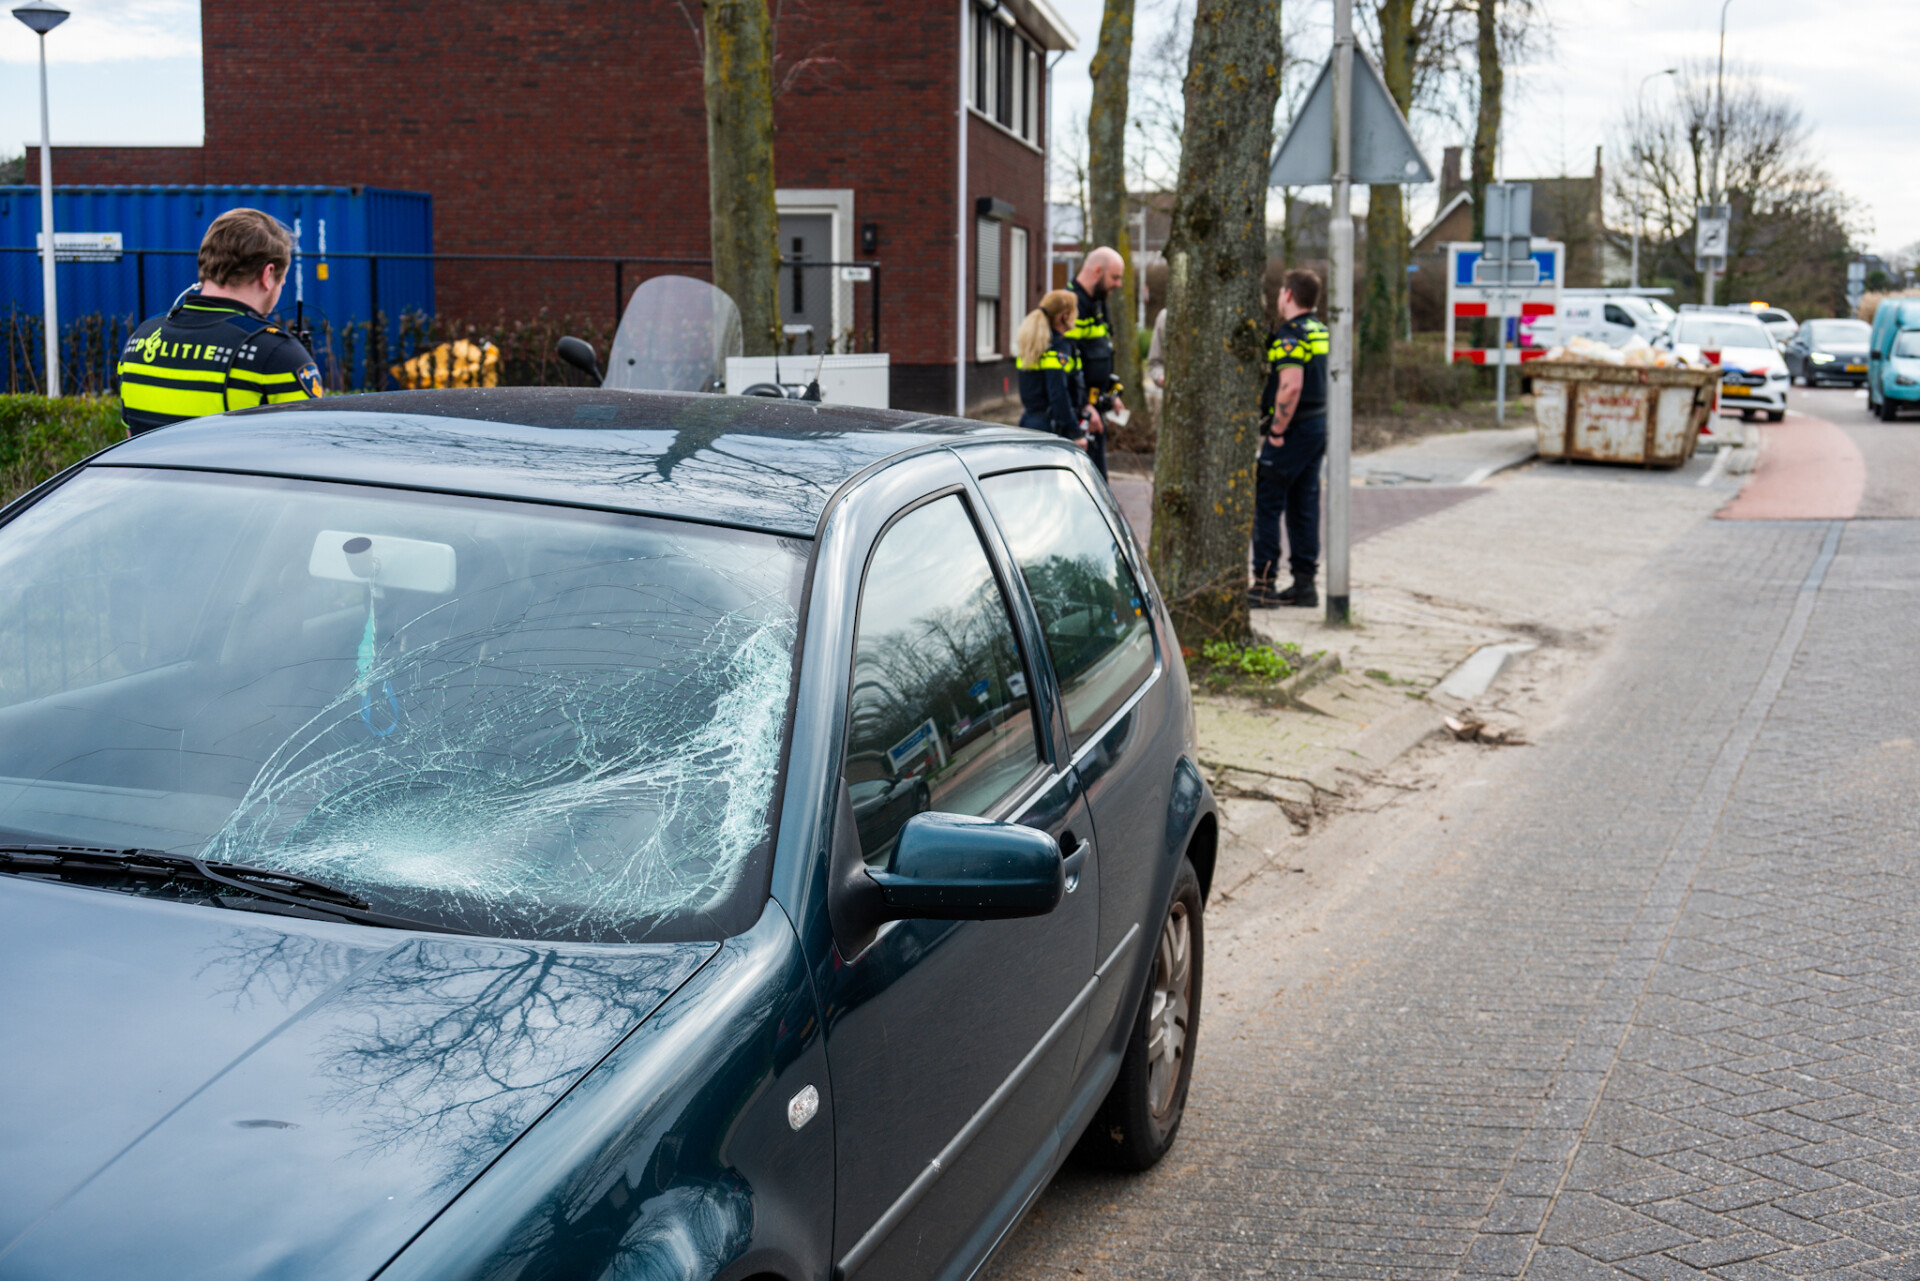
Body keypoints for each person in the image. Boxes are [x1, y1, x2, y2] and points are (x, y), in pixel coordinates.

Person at [117, 208, 323, 435]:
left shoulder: (139, 340)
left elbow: (131, 437)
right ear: (267, 274)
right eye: (281, 282)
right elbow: (306, 450)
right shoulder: (276, 354)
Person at [1250, 268, 1331, 609]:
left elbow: (1291, 384)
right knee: (1304, 503)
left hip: (1294, 428)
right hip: (1317, 425)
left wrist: (1277, 430)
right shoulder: (1321, 330)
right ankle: (1304, 584)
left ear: (1288, 295)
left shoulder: (1292, 335)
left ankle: (1264, 584)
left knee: (1267, 501)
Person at [1066, 246, 1128, 477]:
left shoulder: (1099, 303)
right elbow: (1070, 364)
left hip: (1096, 412)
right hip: (1082, 415)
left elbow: (1101, 353)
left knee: (1099, 481)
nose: (1118, 284)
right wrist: (1084, 405)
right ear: (1097, 271)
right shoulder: (1071, 305)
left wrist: (1111, 393)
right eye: (1114, 277)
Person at [1014, 290, 1088, 447]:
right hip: (1050, 428)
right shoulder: (1058, 348)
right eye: (1074, 312)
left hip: (1029, 423)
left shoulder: (1034, 344)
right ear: (1064, 316)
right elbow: (1058, 394)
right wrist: (1074, 433)